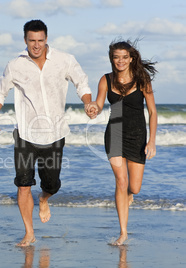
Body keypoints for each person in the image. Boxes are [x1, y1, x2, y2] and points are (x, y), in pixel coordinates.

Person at [0, 20, 96, 247]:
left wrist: (88, 102)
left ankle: (44, 199)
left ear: (47, 39)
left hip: (54, 134)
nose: (36, 45)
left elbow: (81, 82)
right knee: (23, 184)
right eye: (32, 41)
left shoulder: (64, 60)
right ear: (25, 40)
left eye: (41, 40)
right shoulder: (15, 64)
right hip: (26, 135)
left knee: (52, 183)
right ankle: (29, 232)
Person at [90, 39, 157, 245]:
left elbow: (153, 112)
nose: (120, 61)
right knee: (121, 181)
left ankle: (128, 194)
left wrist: (152, 141)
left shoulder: (142, 79)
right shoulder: (106, 80)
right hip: (115, 131)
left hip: (137, 134)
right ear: (112, 58)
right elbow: (99, 105)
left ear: (131, 58)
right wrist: (93, 109)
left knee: (134, 188)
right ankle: (123, 232)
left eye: (124, 57)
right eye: (116, 57)